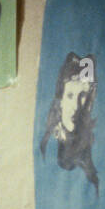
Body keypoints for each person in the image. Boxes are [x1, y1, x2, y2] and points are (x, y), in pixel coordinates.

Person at [39, 52, 99, 193]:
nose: (76, 106)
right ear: (61, 101)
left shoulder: (94, 148)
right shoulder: (47, 149)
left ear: (90, 103)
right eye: (70, 96)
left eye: (83, 96)